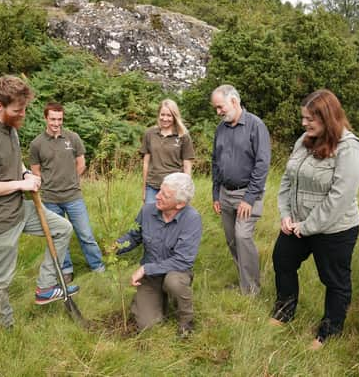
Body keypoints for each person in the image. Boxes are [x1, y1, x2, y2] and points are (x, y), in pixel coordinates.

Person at [0, 76, 77, 329]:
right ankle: (4, 329)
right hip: (0, 219)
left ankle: (45, 288)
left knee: (63, 229)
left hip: (20, 209)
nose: (23, 114)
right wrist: (22, 185)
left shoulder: (11, 129)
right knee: (1, 281)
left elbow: (14, 162)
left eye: (25, 109)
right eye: (17, 110)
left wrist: (26, 174)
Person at [270, 89, 359, 350]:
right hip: (297, 222)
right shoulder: (304, 140)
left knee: (334, 280)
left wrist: (307, 226)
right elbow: (288, 179)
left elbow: (339, 198)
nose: (304, 124)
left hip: (335, 229)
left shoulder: (349, 149)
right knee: (282, 260)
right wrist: (286, 215)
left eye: (309, 119)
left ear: (328, 117)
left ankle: (329, 331)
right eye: (303, 118)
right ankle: (284, 312)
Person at [115, 172, 202, 337]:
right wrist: (115, 247)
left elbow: (183, 260)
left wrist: (145, 269)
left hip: (176, 272)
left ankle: (186, 321)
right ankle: (159, 303)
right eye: (160, 191)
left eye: (165, 195)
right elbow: (134, 236)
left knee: (173, 283)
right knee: (147, 325)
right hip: (151, 277)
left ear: (179, 204)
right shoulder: (147, 211)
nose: (157, 196)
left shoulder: (192, 219)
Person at [29, 102, 105, 284]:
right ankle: (66, 269)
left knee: (85, 234)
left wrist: (72, 180)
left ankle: (98, 267)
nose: (56, 123)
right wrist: (46, 186)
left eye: (60, 119)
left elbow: (81, 163)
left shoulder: (73, 138)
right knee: (59, 237)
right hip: (50, 199)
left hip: (73, 197)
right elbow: (35, 171)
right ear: (46, 118)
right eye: (53, 119)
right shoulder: (37, 144)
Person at [210, 84, 271, 295]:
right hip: (225, 194)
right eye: (216, 108)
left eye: (220, 107)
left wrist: (249, 198)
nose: (218, 112)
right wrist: (215, 193)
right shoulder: (221, 129)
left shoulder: (256, 126)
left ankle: (252, 290)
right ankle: (244, 282)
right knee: (232, 240)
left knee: (243, 237)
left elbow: (262, 164)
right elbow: (215, 162)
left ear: (234, 101)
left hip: (248, 195)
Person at [141, 99, 195, 204]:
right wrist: (144, 190)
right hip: (152, 186)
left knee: (170, 219)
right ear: (158, 115)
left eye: (169, 115)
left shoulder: (183, 136)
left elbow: (187, 167)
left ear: (175, 117)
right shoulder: (150, 133)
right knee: (150, 218)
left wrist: (186, 192)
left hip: (174, 189)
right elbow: (146, 163)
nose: (165, 118)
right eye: (162, 114)